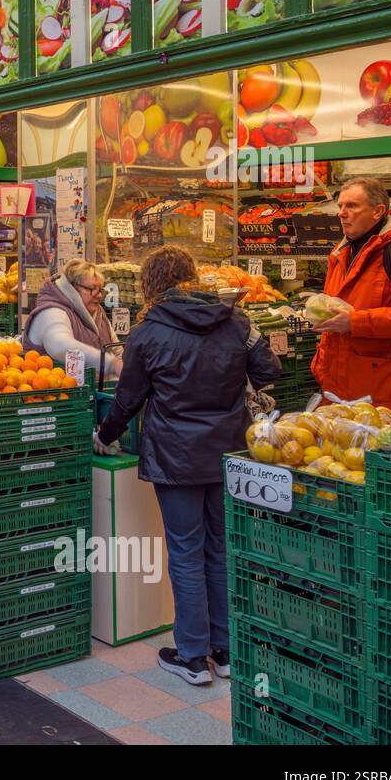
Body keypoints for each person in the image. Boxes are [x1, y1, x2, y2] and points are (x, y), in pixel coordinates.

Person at [96, 246, 281, 687]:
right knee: (219, 548)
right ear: (193, 276)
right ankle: (226, 650)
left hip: (176, 454)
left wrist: (105, 434)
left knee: (185, 550)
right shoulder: (236, 319)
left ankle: (193, 656)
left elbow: (129, 397)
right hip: (229, 448)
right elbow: (268, 369)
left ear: (150, 284)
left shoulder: (148, 331)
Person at [311, 178, 391, 417]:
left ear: (378, 211)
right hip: (344, 391)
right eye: (340, 206)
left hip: (387, 395)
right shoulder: (342, 252)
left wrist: (354, 322)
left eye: (351, 206)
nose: (342, 213)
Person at [25, 259, 119, 379]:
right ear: (73, 288)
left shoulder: (98, 313)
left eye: (100, 290)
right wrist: (111, 364)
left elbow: (116, 348)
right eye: (91, 289)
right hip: (54, 393)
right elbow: (60, 346)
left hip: (91, 393)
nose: (99, 295)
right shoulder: (52, 312)